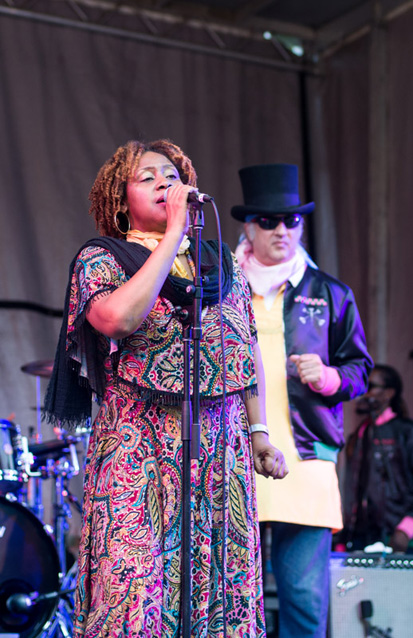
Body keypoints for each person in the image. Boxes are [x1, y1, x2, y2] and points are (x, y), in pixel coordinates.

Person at [44, 140, 287, 638]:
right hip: (139, 451)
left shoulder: (220, 264)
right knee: (135, 591)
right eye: (147, 177)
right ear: (121, 200)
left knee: (218, 591)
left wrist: (259, 432)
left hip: (219, 452)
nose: (164, 183)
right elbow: (117, 319)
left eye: (172, 176)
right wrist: (173, 232)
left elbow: (244, 347)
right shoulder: (102, 259)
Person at [230, 163, 373, 638]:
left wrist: (330, 377)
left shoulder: (330, 293)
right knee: (230, 600)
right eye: (268, 221)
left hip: (307, 460)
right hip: (233, 456)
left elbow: (360, 370)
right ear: (248, 227)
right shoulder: (221, 290)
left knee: (304, 600)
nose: (281, 230)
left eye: (291, 220)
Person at [343, 363, 413, 553]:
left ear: (389, 393)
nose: (363, 392)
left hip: (403, 541)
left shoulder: (410, 432)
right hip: (362, 540)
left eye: (370, 386)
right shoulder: (358, 435)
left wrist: (407, 529)